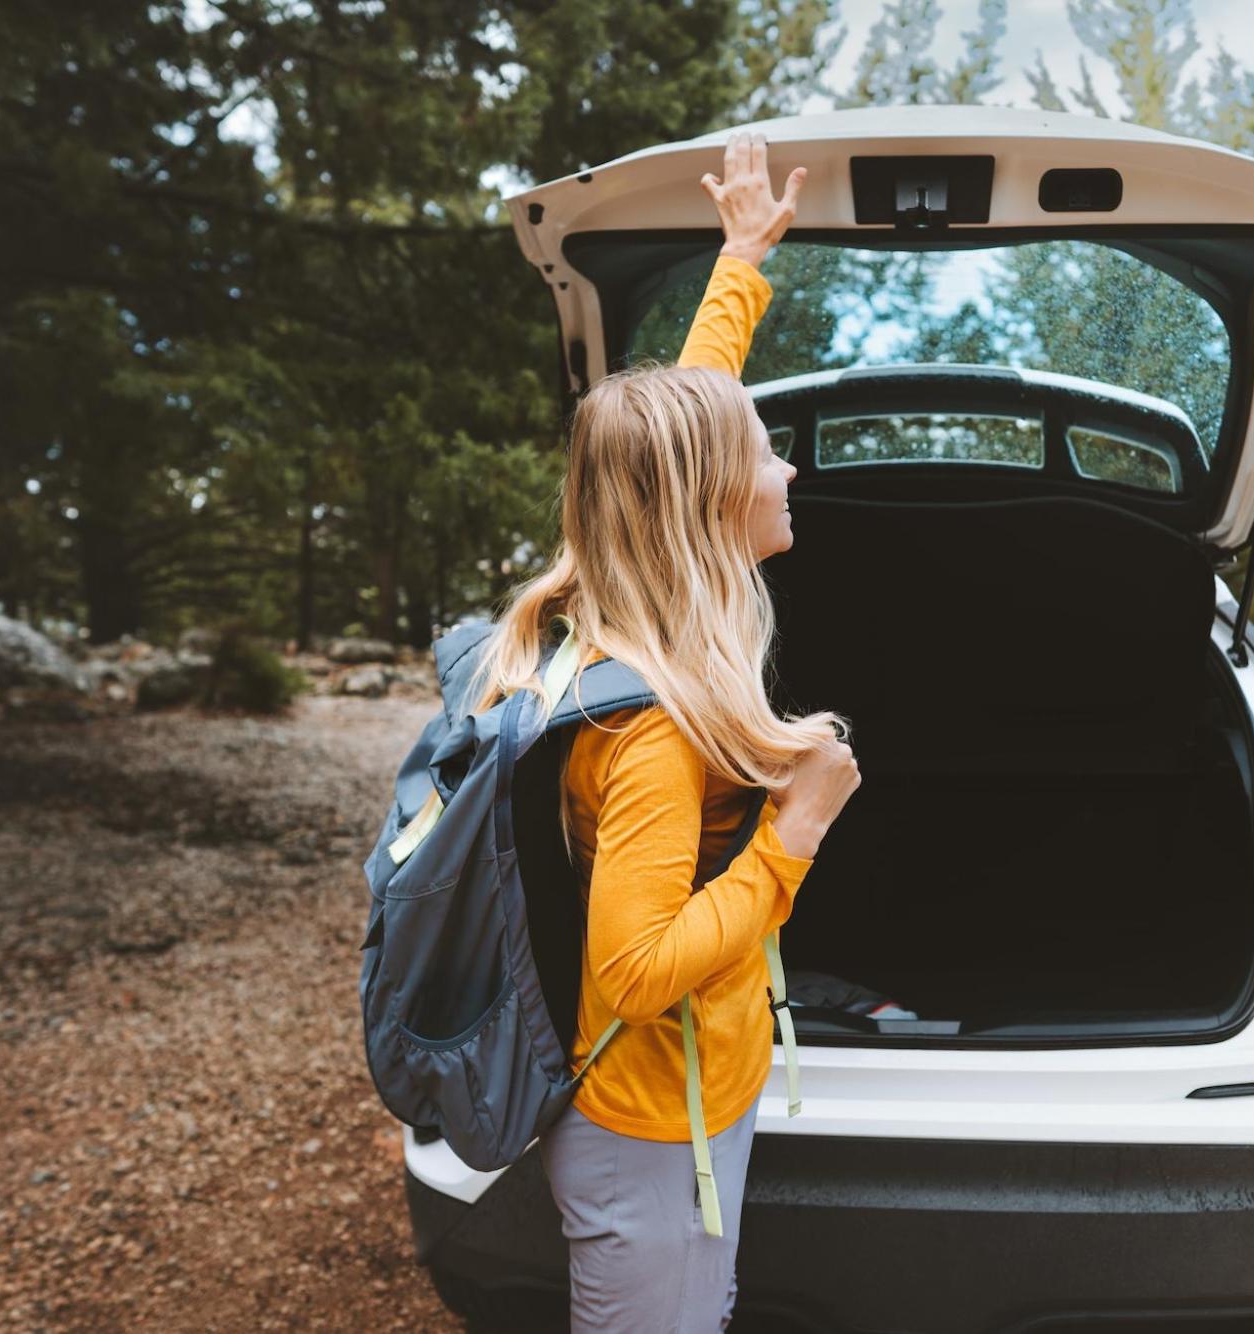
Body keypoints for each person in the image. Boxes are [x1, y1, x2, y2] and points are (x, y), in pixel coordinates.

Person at [465, 131, 861, 1332]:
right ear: (707, 504)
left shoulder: (619, 595)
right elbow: (631, 970)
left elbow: (673, 431)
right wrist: (795, 829)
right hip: (643, 1120)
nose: (785, 468)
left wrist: (740, 261)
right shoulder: (655, 731)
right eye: (763, 454)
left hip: (687, 1091)